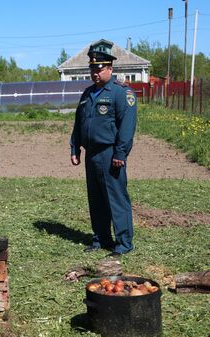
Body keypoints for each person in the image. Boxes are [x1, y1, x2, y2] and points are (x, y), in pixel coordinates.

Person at [70, 40, 137, 256]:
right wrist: (75, 147)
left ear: (110, 68)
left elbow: (127, 126)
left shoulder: (121, 93)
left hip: (110, 155)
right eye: (92, 69)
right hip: (92, 155)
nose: (95, 73)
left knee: (116, 198)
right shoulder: (88, 93)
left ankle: (124, 243)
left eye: (99, 69)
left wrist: (120, 153)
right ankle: (101, 238)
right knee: (96, 199)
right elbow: (79, 121)